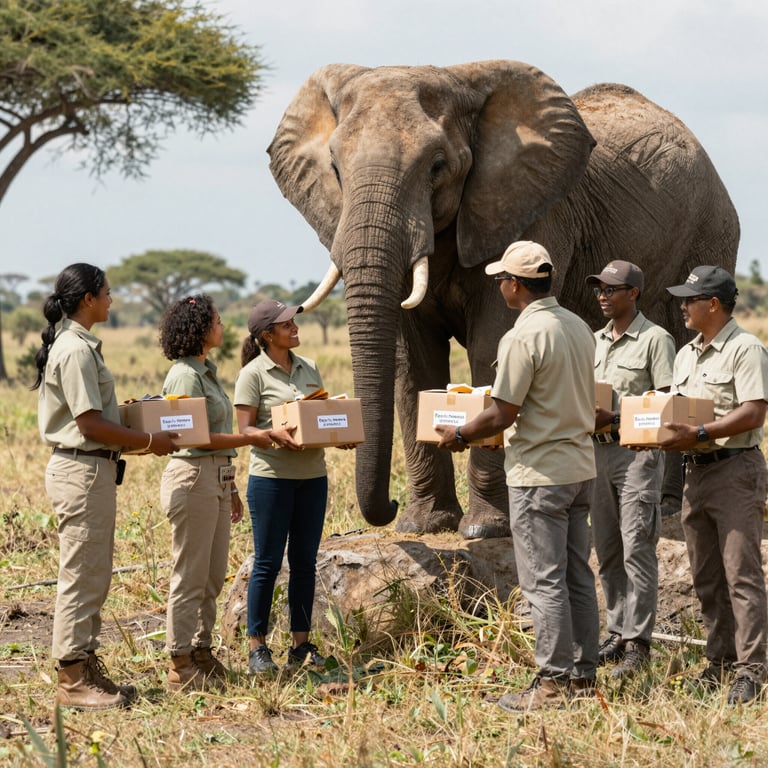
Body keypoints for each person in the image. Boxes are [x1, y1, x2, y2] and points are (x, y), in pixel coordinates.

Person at [436, 241, 599, 711]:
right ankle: (584, 676)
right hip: (579, 468)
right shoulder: (579, 327)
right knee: (576, 576)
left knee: (543, 581)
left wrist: (461, 434)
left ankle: (551, 684)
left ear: (515, 285)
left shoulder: (522, 337)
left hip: (539, 475)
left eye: (501, 279)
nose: (499, 285)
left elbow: (503, 412)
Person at [34, 263, 178, 710]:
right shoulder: (76, 350)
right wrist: (150, 441)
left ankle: (85, 666)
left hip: (90, 471)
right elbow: (90, 423)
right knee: (81, 576)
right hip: (80, 471)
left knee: (93, 572)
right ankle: (72, 679)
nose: (112, 300)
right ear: (88, 300)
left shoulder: (79, 345)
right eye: (107, 293)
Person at [661, 266, 768, 705]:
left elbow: (754, 412)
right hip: (696, 473)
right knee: (706, 576)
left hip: (735, 471)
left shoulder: (746, 349)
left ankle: (752, 670)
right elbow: (676, 412)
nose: (682, 306)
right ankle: (720, 661)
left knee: (742, 575)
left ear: (714, 305)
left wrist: (703, 434)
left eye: (690, 299)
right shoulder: (686, 354)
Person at [158, 294, 259, 692]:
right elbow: (193, 436)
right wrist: (253, 437)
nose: (222, 325)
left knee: (213, 575)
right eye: (217, 320)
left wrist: (230, 484)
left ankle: (201, 651)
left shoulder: (206, 370)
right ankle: (179, 661)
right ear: (200, 329)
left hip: (214, 478)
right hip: (192, 478)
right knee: (190, 574)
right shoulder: (184, 375)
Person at [234, 299, 334, 675]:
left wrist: (339, 436)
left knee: (305, 562)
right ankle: (257, 647)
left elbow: (320, 419)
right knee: (267, 562)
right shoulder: (253, 374)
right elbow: (243, 430)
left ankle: (300, 644)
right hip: (271, 480)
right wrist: (270, 435)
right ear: (267, 335)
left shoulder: (310, 368)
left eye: (293, 321)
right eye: (286, 324)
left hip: (313, 478)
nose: (294, 327)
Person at [586, 261, 675, 678]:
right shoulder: (595, 340)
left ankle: (639, 642)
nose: (603, 295)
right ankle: (617, 633)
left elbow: (666, 403)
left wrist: (617, 415)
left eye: (612, 289)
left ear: (634, 293)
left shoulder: (656, 339)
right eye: (599, 288)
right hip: (596, 453)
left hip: (637, 452)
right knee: (607, 549)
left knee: (637, 544)